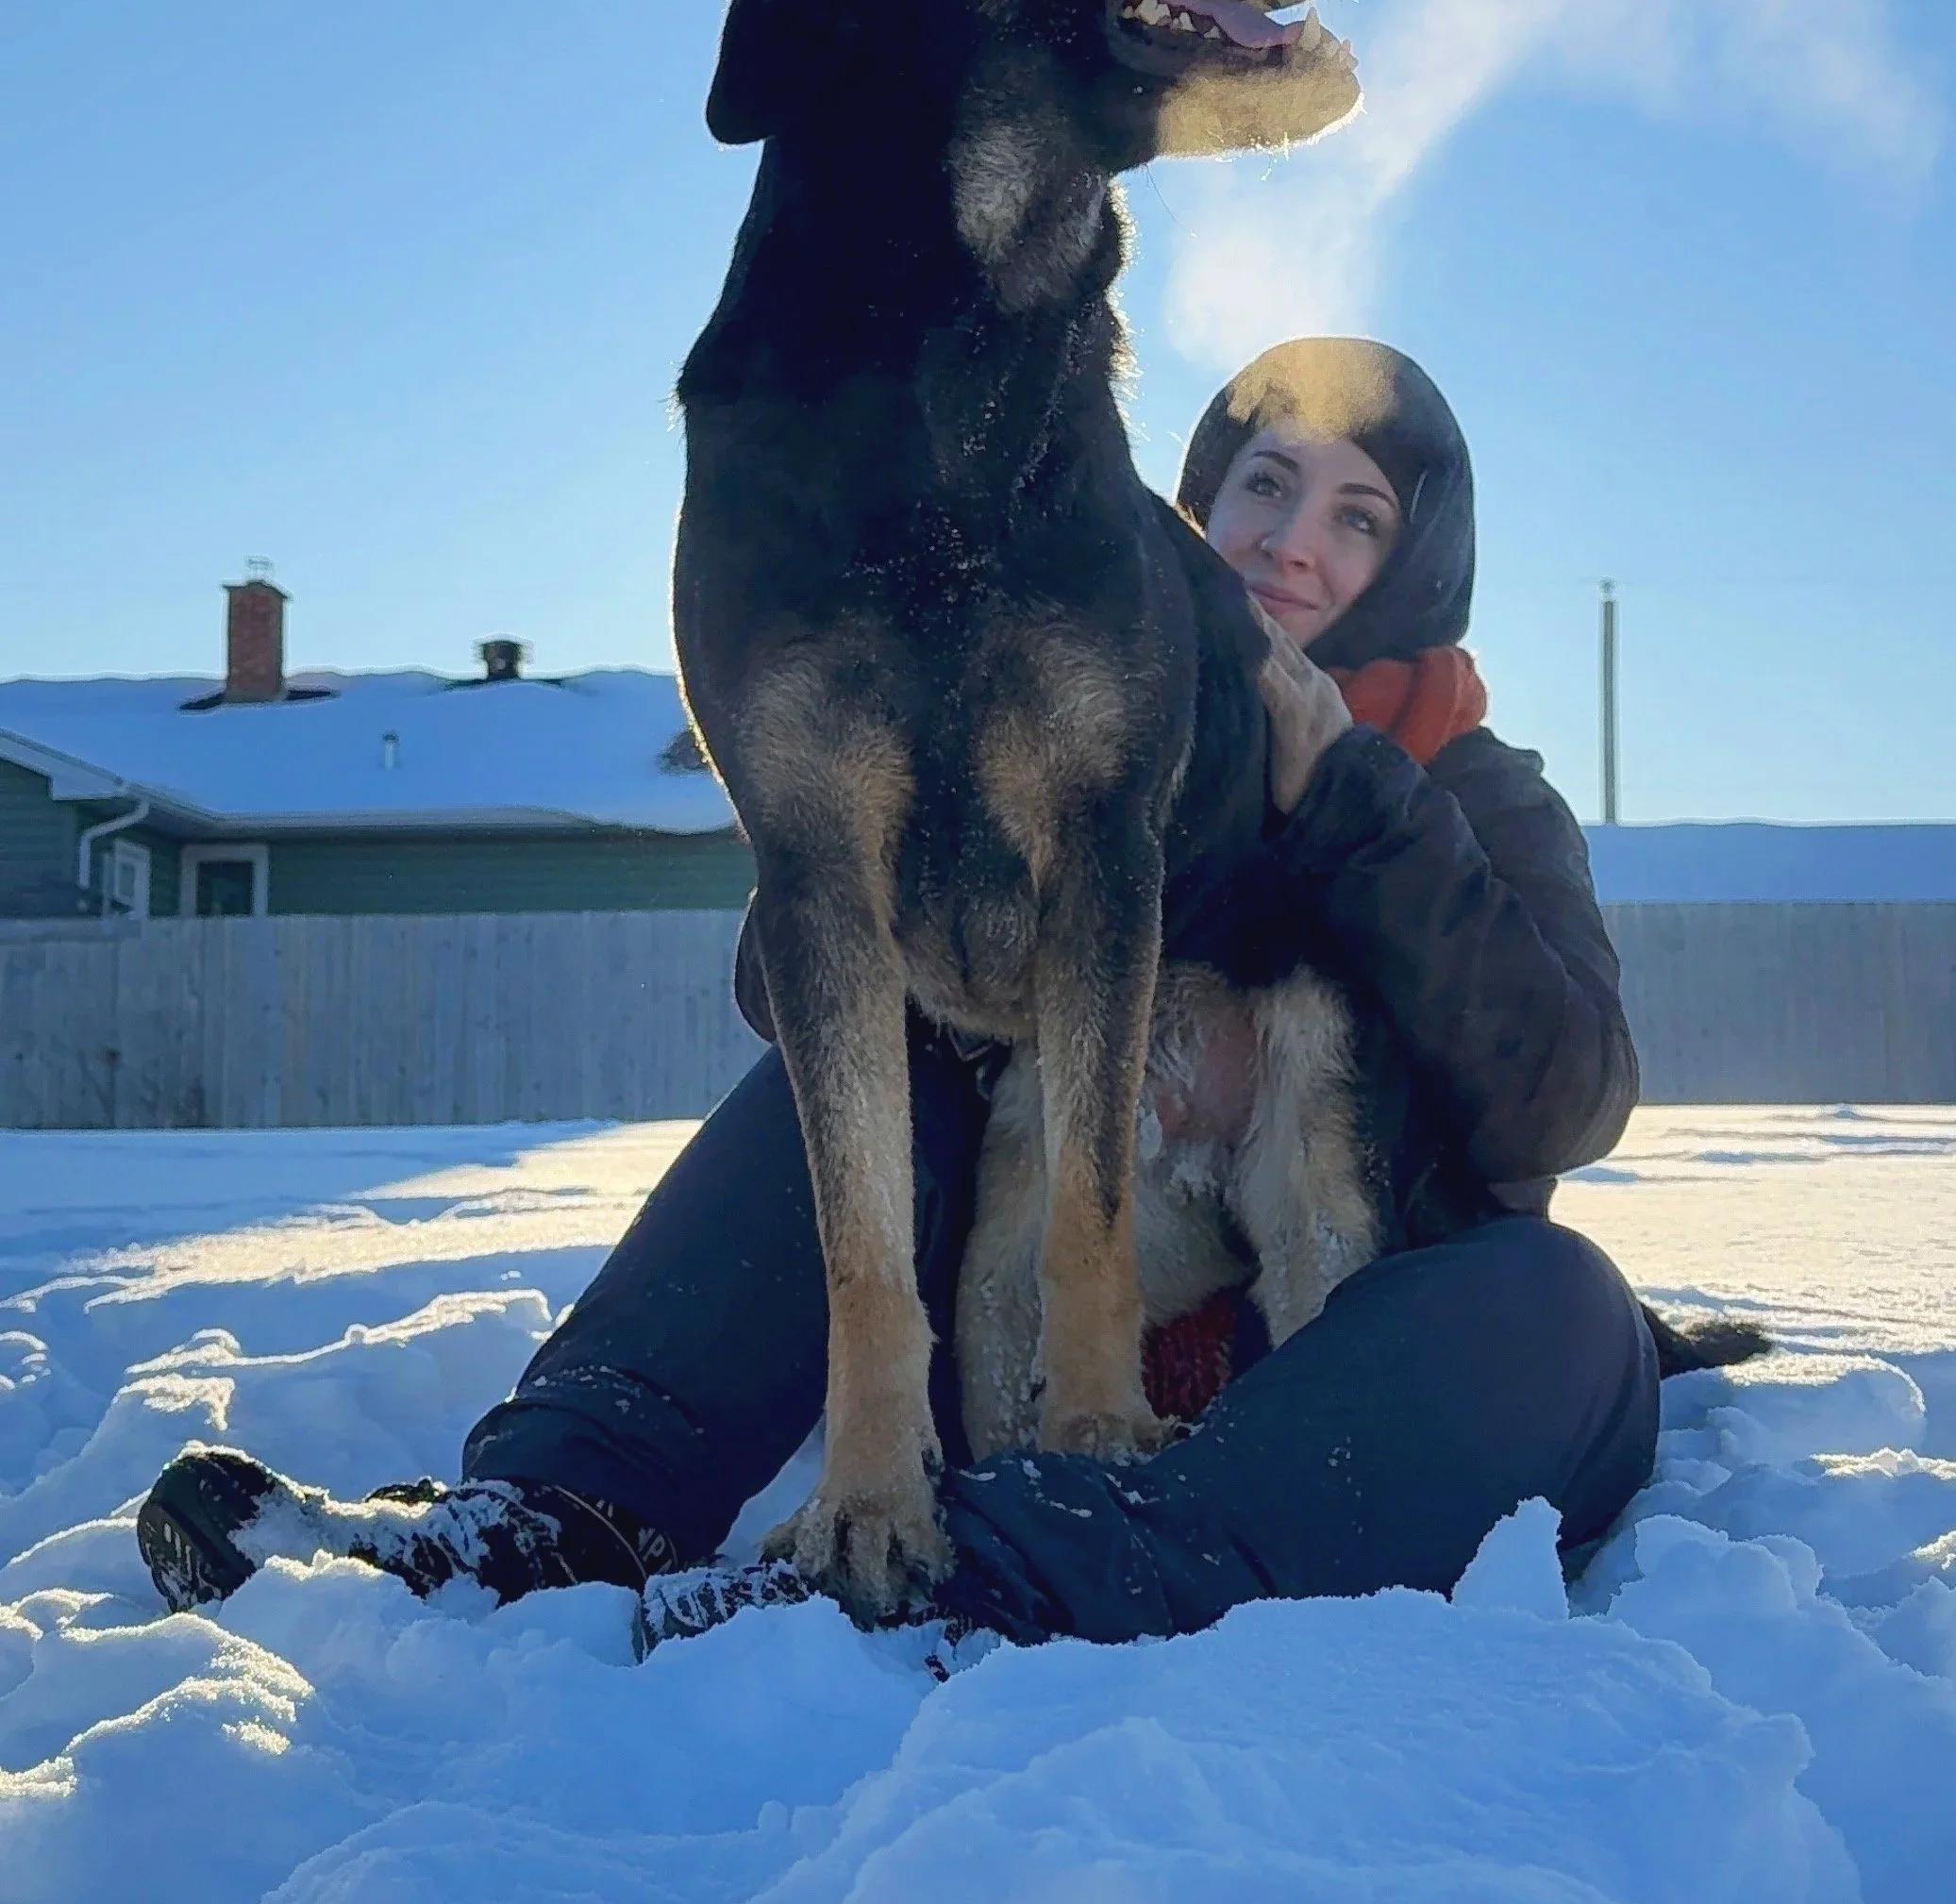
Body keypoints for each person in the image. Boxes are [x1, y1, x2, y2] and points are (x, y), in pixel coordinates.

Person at [137, 339, 1658, 1645]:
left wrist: (1348, 802)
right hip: (1024, 1323)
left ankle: (1007, 1576)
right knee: (857, 1077)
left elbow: (1564, 1097)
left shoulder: (1468, 784)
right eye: (1263, 481)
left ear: (1416, 566)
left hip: (1340, 1356)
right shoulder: (1048, 714)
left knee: (1565, 1302)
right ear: (1200, 504)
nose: (1290, 538)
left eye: (1357, 513)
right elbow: (790, 979)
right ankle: (557, 1511)